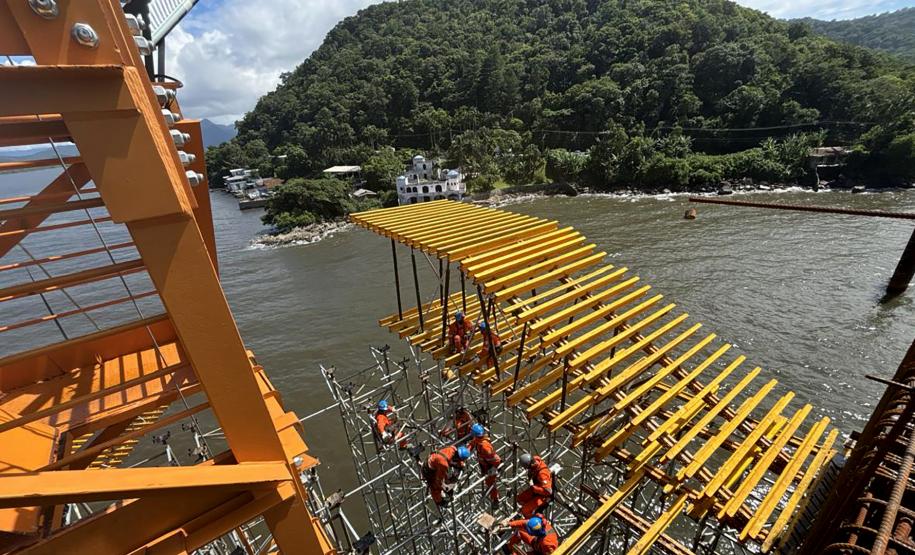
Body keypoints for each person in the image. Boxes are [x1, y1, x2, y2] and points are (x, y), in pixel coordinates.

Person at [469, 423, 502, 508]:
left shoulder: (485, 447)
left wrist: (494, 468)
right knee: (488, 481)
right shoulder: (478, 440)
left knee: (491, 484)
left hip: (489, 466)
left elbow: (497, 460)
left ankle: (495, 499)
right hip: (484, 464)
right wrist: (467, 451)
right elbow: (472, 444)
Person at [516, 453, 553, 518]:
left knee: (525, 510)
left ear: (531, 465)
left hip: (544, 496)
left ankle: (531, 519)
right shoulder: (535, 460)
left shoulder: (542, 474)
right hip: (537, 488)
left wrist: (534, 488)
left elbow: (548, 491)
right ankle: (529, 506)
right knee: (519, 499)